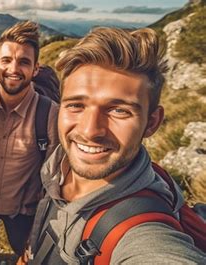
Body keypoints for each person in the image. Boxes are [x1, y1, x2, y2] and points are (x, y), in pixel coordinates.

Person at [28, 27, 206, 264]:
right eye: (76, 105)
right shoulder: (57, 168)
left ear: (152, 122)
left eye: (118, 110)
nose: (90, 130)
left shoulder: (144, 234)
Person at [0, 21, 59, 262]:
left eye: (23, 62)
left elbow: (53, 180)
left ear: (36, 69)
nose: (14, 68)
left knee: (23, 253)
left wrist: (37, 229)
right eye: (7, 60)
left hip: (23, 211)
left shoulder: (50, 114)